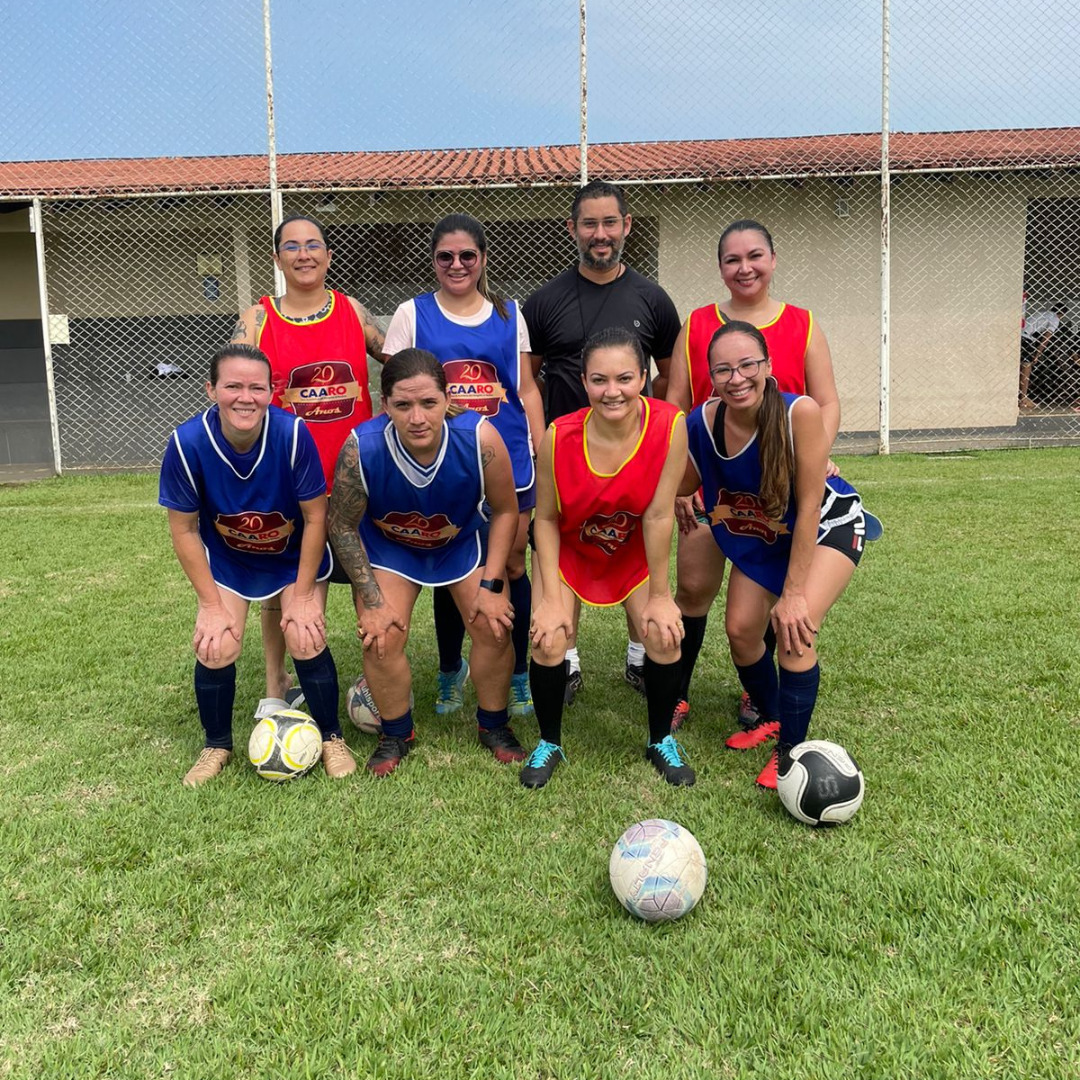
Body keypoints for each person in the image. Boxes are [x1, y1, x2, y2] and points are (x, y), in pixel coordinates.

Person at [666, 219, 840, 740]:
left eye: (755, 256)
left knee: (767, 583)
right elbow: (676, 405)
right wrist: (683, 478)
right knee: (694, 585)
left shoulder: (802, 323)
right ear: (720, 267)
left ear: (773, 258)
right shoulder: (697, 325)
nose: (745, 268)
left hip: (778, 490)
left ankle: (763, 695)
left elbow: (824, 402)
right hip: (714, 482)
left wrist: (814, 458)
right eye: (732, 259)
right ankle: (675, 690)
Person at [679, 321, 870, 789]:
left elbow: (808, 509)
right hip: (767, 533)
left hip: (827, 525)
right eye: (723, 369)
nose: (737, 377)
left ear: (768, 366)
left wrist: (794, 593)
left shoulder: (796, 413)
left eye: (748, 364)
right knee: (742, 630)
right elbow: (678, 482)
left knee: (793, 629)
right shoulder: (702, 421)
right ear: (710, 377)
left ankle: (793, 755)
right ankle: (773, 715)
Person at [159, 343, 355, 786]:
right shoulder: (187, 443)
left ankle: (331, 738)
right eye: (232, 386)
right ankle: (216, 745)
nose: (244, 397)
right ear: (211, 389)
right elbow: (184, 530)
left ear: (273, 392)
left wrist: (303, 595)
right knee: (217, 643)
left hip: (291, 558)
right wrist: (210, 605)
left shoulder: (292, 434)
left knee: (304, 635)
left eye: (256, 388)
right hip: (231, 560)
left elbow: (315, 516)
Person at [326, 349, 521, 777]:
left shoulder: (480, 438)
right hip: (392, 550)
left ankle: (493, 725)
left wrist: (491, 587)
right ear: (385, 405)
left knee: (494, 626)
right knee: (381, 636)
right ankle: (396, 732)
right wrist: (372, 600)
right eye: (403, 405)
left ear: (447, 399)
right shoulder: (363, 447)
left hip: (459, 543)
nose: (417, 417)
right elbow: (340, 526)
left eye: (428, 403)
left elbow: (506, 511)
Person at [524, 180, 682, 703]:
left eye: (609, 222)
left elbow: (670, 378)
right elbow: (528, 381)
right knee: (565, 549)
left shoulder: (652, 299)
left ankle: (640, 658)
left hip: (634, 455)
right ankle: (564, 662)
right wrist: (536, 443)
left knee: (634, 542)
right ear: (572, 229)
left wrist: (667, 449)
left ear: (626, 226)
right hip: (568, 458)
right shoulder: (544, 300)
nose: (600, 233)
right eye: (589, 223)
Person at [383, 214, 545, 722]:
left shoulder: (507, 311)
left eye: (467, 256)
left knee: (513, 563)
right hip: (444, 461)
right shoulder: (412, 313)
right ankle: (451, 667)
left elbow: (526, 389)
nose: (457, 265)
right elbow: (391, 389)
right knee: (447, 555)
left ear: (483, 259)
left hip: (506, 456)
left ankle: (515, 672)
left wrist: (543, 452)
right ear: (433, 261)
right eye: (445, 256)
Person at [231, 215, 385, 720]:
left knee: (368, 582)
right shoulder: (258, 319)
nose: (304, 254)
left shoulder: (351, 310)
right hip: (289, 480)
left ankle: (375, 678)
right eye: (291, 246)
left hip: (354, 480)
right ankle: (277, 687)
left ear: (328, 255)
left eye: (313, 244)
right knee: (288, 588)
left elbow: (400, 360)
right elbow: (236, 390)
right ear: (277, 258)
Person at [524, 327, 691, 789]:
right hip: (572, 550)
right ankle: (549, 742)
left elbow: (659, 514)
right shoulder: (559, 436)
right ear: (583, 381)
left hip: (630, 550)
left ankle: (661, 740)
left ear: (643, 376)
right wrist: (551, 599)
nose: (611, 391)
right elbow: (546, 521)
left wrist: (660, 594)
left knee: (662, 633)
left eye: (624, 378)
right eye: (599, 380)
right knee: (550, 638)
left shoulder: (670, 424)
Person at [1019, 302, 1066, 410]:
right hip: (1026, 338)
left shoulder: (1042, 313)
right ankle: (1023, 399)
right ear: (1061, 314)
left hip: (1019, 334)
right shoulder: (1055, 319)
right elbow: (1046, 338)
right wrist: (1037, 354)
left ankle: (1020, 396)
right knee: (1027, 366)